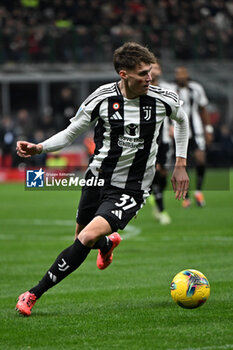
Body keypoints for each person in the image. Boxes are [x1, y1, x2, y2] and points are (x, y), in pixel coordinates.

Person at [15, 42, 189, 317]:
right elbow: (71, 132)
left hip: (132, 188)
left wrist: (180, 163)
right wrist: (40, 148)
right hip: (96, 179)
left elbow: (182, 119)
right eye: (143, 73)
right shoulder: (102, 98)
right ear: (124, 74)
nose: (150, 78)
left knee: (86, 236)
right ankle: (107, 244)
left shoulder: (161, 99)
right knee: (82, 240)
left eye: (150, 72)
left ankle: (33, 293)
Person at [170, 66, 213, 207]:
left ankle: (198, 191)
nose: (181, 76)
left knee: (201, 159)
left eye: (183, 73)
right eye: (178, 74)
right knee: (183, 162)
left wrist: (208, 128)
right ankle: (186, 196)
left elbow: (203, 109)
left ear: (187, 75)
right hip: (179, 131)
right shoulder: (170, 89)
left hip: (197, 130)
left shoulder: (196, 88)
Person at [148, 61, 174, 224]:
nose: (155, 71)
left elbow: (177, 111)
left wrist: (173, 126)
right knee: (155, 171)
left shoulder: (168, 89)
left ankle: (154, 194)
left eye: (157, 68)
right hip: (150, 139)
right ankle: (162, 210)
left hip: (165, 139)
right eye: (152, 68)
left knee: (163, 173)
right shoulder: (143, 88)